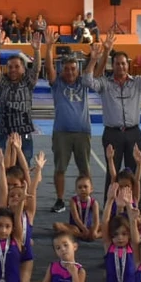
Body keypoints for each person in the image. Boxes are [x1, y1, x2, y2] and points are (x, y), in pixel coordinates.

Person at [87, 33, 141, 191]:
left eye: (123, 63)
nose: (120, 67)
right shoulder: (104, 84)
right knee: (112, 172)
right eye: (117, 64)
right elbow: (88, 81)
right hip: (112, 134)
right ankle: (111, 201)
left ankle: (135, 201)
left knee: (135, 171)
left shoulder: (138, 82)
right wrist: (94, 60)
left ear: (127, 65)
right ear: (112, 65)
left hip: (133, 133)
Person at [44, 37, 96, 214]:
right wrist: (49, 48)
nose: (70, 72)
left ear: (78, 70)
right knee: (60, 168)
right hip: (62, 133)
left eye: (73, 69)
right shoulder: (57, 83)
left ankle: (86, 200)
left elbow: (93, 70)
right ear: (61, 70)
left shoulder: (84, 82)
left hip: (82, 132)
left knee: (85, 169)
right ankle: (60, 200)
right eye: (66, 69)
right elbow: (49, 68)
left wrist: (95, 58)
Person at [0, 30, 40, 162]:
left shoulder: (27, 82)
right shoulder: (3, 83)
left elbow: (36, 69)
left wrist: (36, 50)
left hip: (24, 133)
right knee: (2, 165)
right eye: (10, 67)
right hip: (4, 133)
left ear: (23, 69)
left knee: (24, 164)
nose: (13, 69)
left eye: (17, 66)